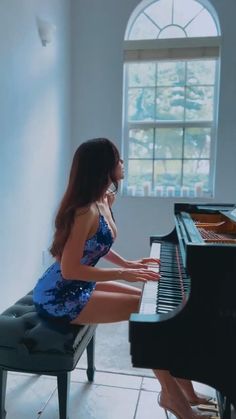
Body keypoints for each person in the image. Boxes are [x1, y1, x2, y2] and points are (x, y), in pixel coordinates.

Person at [33, 138, 216, 419]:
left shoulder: (104, 199)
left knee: (149, 304)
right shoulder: (85, 212)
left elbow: (98, 247)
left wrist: (127, 262)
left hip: (76, 286)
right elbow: (69, 270)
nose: (123, 164)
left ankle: (186, 393)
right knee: (148, 318)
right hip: (59, 296)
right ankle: (173, 398)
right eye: (118, 159)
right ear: (103, 167)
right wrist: (123, 273)